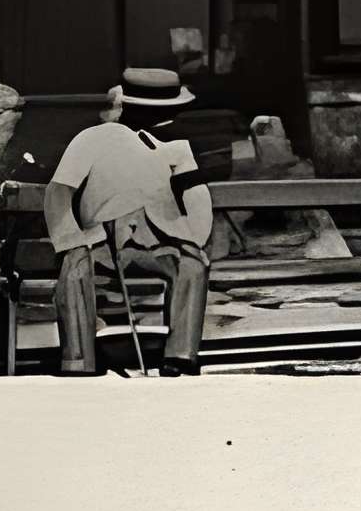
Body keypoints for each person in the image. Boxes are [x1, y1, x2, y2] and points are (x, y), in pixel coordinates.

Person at [43, 66, 225, 375]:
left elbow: (195, 195)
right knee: (74, 271)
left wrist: (193, 238)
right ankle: (78, 361)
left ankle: (179, 354)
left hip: (157, 241)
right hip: (101, 239)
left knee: (193, 263)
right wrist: (69, 239)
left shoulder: (178, 147)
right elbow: (59, 192)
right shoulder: (92, 139)